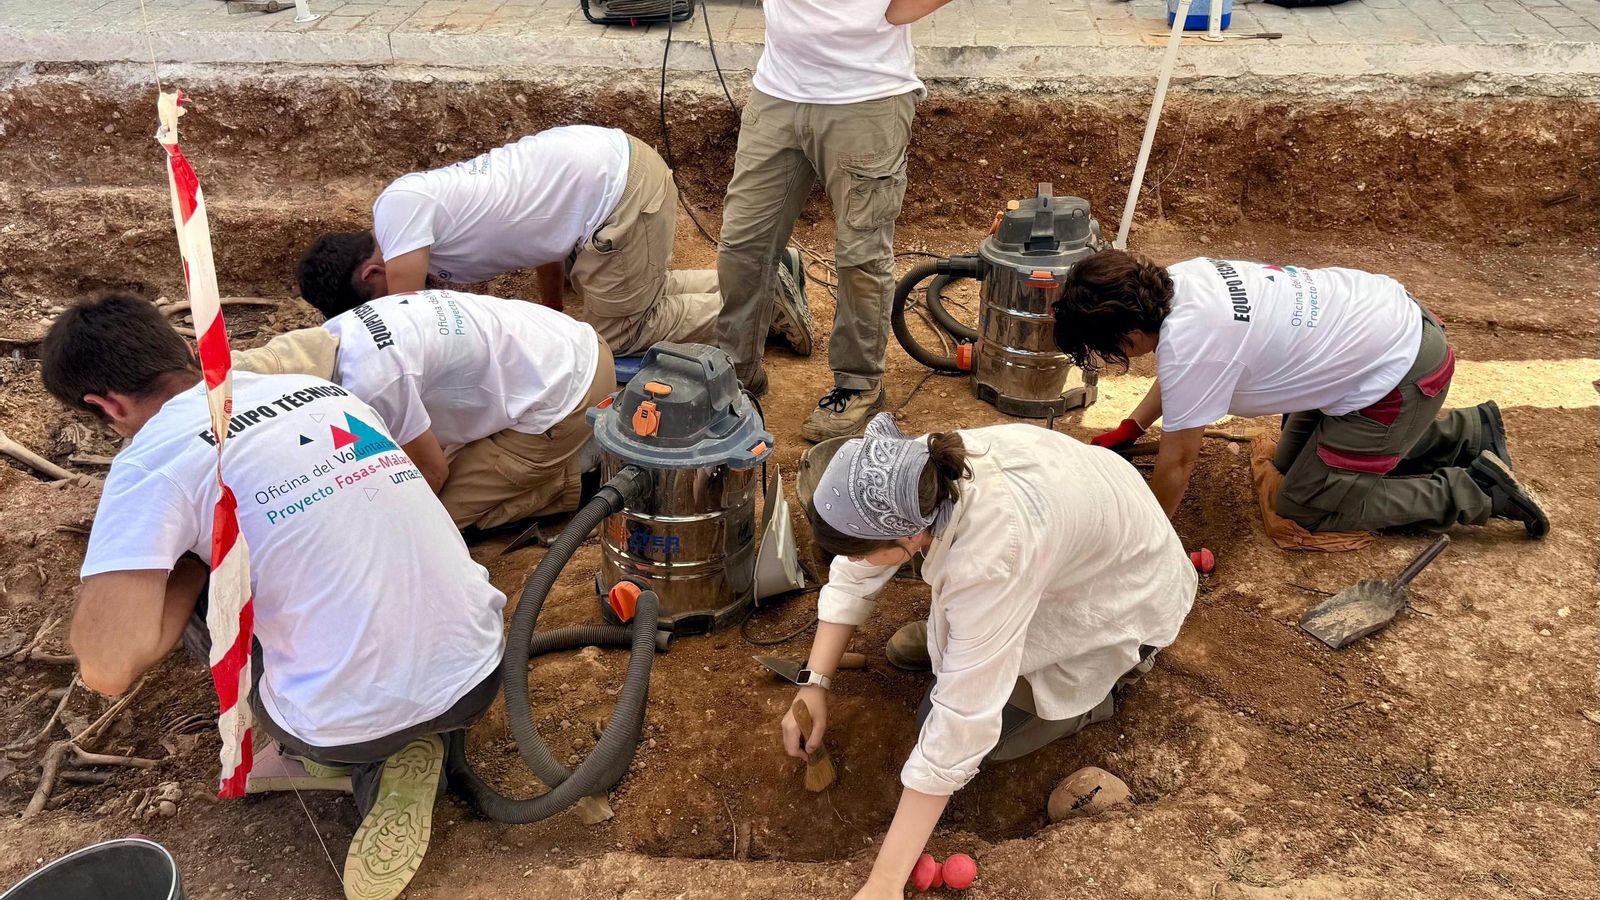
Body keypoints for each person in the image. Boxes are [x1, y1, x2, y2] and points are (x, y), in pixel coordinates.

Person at [42, 293, 506, 900]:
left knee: (208, 579)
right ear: (185, 350)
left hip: (352, 723)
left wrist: (193, 559)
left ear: (106, 405)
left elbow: (107, 667)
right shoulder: (325, 394)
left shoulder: (149, 459)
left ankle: (347, 760)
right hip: (481, 665)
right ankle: (401, 730)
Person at [788, 414, 1196, 899]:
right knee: (953, 649)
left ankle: (1105, 690)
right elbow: (855, 567)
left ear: (907, 543)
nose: (855, 564)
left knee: (971, 736)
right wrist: (815, 683)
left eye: (863, 553)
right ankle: (966, 638)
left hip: (1120, 601)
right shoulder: (908, 471)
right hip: (1073, 552)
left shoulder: (993, 554)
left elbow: (962, 723)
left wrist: (885, 882)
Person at [1052, 250, 1549, 537]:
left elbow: (1177, 464)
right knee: (1290, 462)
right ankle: (1470, 432)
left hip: (1399, 376)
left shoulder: (1192, 346)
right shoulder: (1179, 281)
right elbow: (1186, 376)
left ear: (1127, 334)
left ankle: (1478, 492)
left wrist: (1147, 539)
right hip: (1381, 329)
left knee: (1307, 503)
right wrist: (1134, 427)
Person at [296, 125, 811, 359]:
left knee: (620, 336)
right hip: (607, 176)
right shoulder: (417, 226)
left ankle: (759, 300)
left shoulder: (397, 211)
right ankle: (767, 276)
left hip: (616, 189)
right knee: (620, 295)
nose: (384, 310)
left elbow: (411, 327)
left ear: (370, 276)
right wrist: (554, 307)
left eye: (374, 306)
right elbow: (536, 240)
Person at [716, 0, 958, 441]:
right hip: (778, 92)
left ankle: (858, 385)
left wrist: (883, 13)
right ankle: (736, 371)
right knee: (742, 244)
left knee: (861, 257)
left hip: (867, 98)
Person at [241, 288, 615, 532]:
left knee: (430, 526)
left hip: (569, 392)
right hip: (560, 343)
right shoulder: (336, 333)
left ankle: (581, 474)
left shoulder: (373, 379)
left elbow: (431, 473)